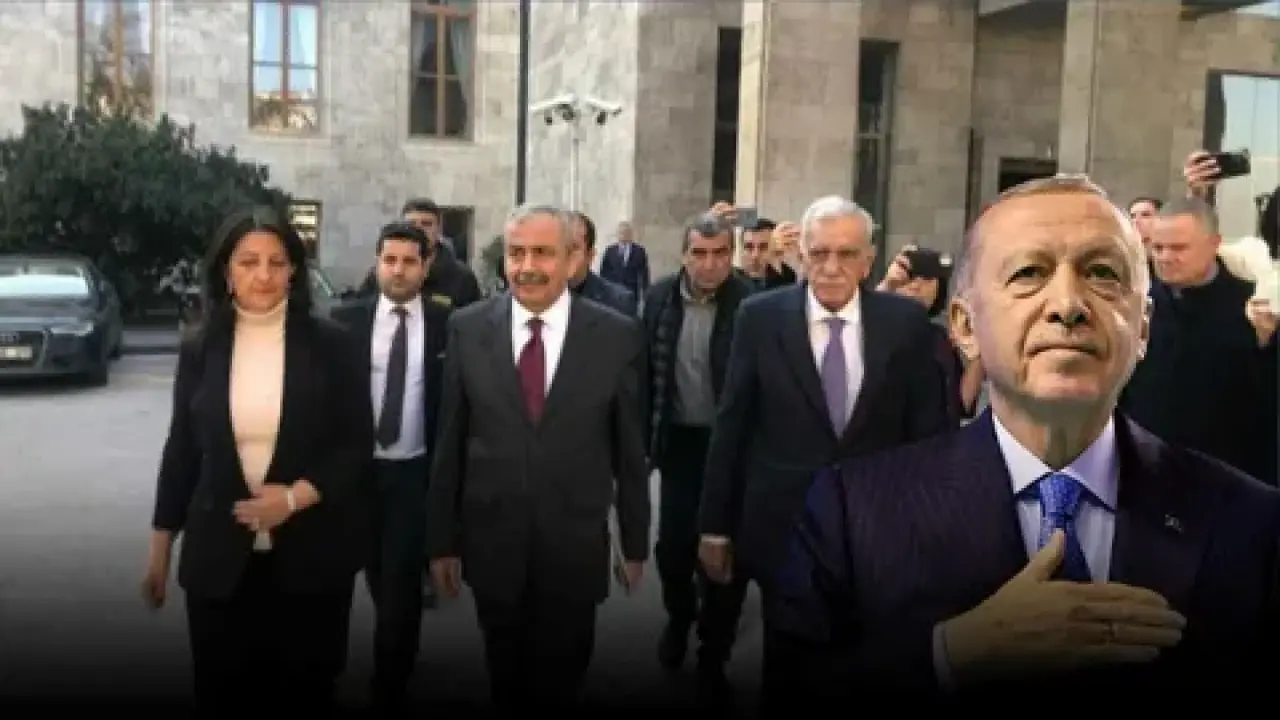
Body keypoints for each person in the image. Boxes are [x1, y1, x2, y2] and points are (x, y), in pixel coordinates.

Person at [776, 175, 1280, 702]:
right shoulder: (851, 511)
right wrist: (950, 657)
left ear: (1143, 328)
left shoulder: (1250, 523)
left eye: (1102, 273)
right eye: (1029, 273)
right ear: (965, 327)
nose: (1068, 304)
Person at [697, 195, 949, 711]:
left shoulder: (904, 324)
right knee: (789, 673)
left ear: (868, 260)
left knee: (870, 670)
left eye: (846, 254)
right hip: (784, 530)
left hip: (879, 534)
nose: (831, 267)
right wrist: (715, 527)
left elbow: (927, 433)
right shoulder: (760, 318)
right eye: (819, 253)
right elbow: (733, 424)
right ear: (802, 255)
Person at [142, 207, 373, 714]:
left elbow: (356, 444)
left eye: (276, 262)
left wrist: (294, 498)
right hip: (218, 564)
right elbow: (182, 450)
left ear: (294, 270)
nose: (263, 275)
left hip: (312, 562)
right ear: (226, 272)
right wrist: (160, 549)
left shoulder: (333, 345)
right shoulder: (200, 347)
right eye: (248, 262)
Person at [424, 203, 650, 710]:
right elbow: (450, 442)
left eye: (543, 253)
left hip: (574, 547)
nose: (527, 266)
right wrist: (441, 541)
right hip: (493, 543)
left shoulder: (616, 335)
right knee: (505, 679)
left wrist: (634, 542)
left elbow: (629, 448)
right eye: (516, 252)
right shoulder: (467, 328)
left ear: (574, 260)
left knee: (562, 681)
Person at [330, 221, 450, 711]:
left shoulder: (449, 324)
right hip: (354, 474)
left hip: (412, 473)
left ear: (426, 266)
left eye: (409, 262)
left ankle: (392, 679)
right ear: (377, 263)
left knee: (401, 583)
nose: (398, 271)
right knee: (363, 576)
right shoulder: (344, 322)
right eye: (389, 260)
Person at [641, 212, 753, 703]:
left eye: (720, 253)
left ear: (731, 255)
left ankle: (713, 651)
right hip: (679, 444)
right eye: (699, 254)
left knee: (726, 556)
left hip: (731, 447)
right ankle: (680, 617)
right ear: (684, 255)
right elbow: (644, 371)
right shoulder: (659, 299)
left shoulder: (751, 304)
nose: (709, 265)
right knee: (673, 549)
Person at [878, 246, 985, 425]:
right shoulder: (879, 329)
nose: (917, 285)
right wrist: (886, 287)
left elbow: (960, 405)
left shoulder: (939, 338)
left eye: (927, 278)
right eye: (911, 277)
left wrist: (979, 352)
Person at [568, 211, 636, 315]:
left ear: (590, 255)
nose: (563, 255)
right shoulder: (542, 299)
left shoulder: (619, 302)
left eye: (573, 247)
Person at [599, 220, 651, 301]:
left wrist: (645, 294)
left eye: (626, 232)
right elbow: (603, 273)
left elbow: (644, 274)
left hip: (631, 293)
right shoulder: (610, 250)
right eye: (621, 233)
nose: (623, 235)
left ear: (631, 234)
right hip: (613, 293)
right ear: (617, 234)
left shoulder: (639, 251)